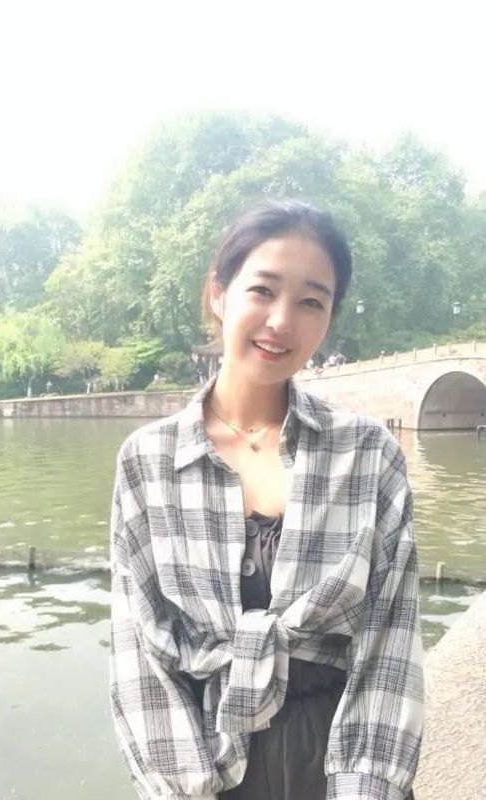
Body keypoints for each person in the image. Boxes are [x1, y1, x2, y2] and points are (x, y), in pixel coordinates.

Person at [109, 200, 422, 800]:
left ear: (329, 318)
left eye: (311, 302)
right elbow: (141, 654)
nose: (282, 321)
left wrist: (364, 787)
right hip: (207, 754)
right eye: (263, 290)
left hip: (343, 754)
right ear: (219, 294)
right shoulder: (149, 460)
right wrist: (183, 790)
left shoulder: (366, 453)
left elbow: (392, 639)